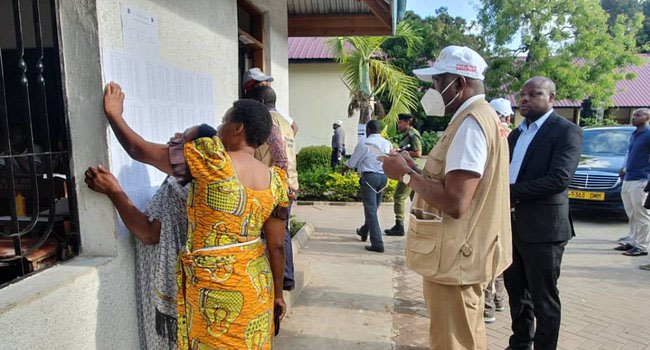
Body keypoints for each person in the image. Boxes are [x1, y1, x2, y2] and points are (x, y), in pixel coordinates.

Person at [102, 82, 288, 349]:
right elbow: (277, 246)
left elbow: (139, 150)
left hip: (213, 289)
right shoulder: (275, 181)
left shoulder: (211, 163)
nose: (219, 127)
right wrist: (278, 296)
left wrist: (114, 115)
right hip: (256, 286)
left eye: (224, 121)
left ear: (238, 128)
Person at [382, 45, 512, 350]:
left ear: (459, 84)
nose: (434, 90)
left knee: (453, 342)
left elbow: (456, 202)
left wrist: (405, 176)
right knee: (464, 337)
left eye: (439, 83)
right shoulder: (479, 117)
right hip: (461, 254)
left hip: (457, 257)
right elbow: (452, 181)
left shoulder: (471, 124)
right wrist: (411, 167)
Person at [505, 77, 582, 350]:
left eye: (534, 94)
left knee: (544, 298)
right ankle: (521, 342)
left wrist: (510, 192)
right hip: (512, 226)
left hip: (545, 229)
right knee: (516, 292)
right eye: (522, 94)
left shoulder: (565, 131)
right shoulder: (516, 134)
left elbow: (559, 179)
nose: (524, 99)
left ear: (552, 98)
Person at [249, 85, 298, 291]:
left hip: (275, 185)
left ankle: (281, 277)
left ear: (260, 103)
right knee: (282, 231)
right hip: (290, 182)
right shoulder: (286, 122)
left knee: (274, 235)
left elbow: (278, 153)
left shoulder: (267, 122)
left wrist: (279, 185)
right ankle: (286, 276)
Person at [483, 97, 514, 324]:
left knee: (486, 255)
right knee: (499, 252)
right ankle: (499, 299)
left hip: (491, 203)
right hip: (508, 203)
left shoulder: (490, 134)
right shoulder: (513, 135)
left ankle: (487, 307)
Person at [343, 120, 392, 253]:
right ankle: (364, 230)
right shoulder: (387, 143)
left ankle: (377, 243)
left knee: (370, 210)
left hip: (370, 177)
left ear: (368, 129)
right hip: (383, 178)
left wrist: (343, 170)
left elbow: (352, 162)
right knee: (373, 209)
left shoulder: (364, 143)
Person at [616, 108, 650, 258]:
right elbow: (630, 153)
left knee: (641, 214)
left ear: (648, 117)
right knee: (631, 213)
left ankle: (642, 246)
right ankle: (633, 240)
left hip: (641, 179)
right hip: (629, 177)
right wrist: (624, 168)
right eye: (634, 115)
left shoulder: (649, 135)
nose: (634, 117)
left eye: (638, 115)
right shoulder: (635, 134)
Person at [384, 113, 422, 236]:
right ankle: (420, 225)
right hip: (409, 169)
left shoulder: (412, 134)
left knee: (399, 196)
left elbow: (418, 153)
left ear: (407, 122)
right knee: (414, 198)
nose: (399, 125)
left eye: (400, 122)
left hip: (409, 171)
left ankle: (399, 226)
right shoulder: (407, 135)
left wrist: (400, 152)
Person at [243, 67, 299, 136]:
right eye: (262, 86)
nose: (266, 89)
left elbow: (294, 127)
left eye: (267, 85)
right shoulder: (241, 111)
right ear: (250, 87)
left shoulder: (272, 108)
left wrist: (284, 144)